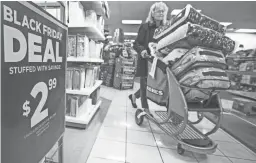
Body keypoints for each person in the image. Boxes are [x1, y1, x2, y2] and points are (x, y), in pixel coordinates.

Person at [128, 2, 169, 115]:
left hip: (159, 61)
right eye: (159, 11)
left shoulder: (165, 28)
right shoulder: (145, 27)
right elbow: (136, 43)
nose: (161, 13)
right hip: (146, 60)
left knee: (152, 84)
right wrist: (142, 50)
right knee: (144, 84)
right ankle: (145, 109)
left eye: (163, 11)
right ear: (153, 12)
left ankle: (133, 96)